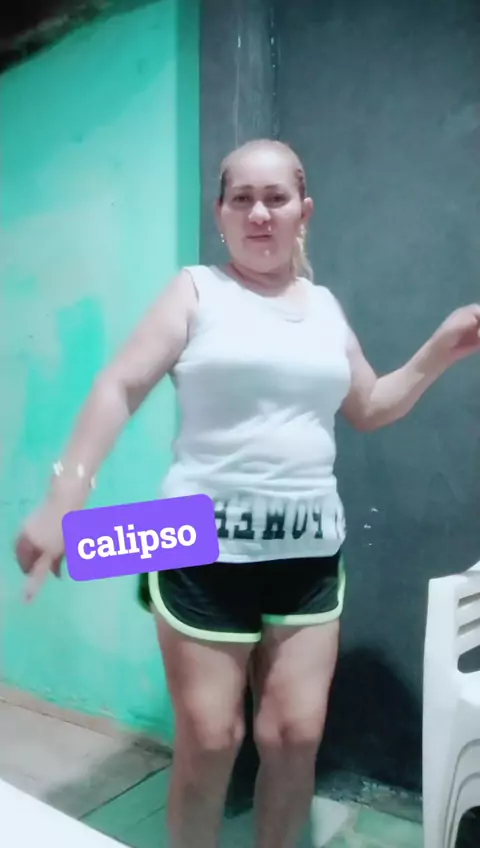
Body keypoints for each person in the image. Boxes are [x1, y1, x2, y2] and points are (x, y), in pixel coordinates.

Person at [15, 138, 480, 848]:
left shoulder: (324, 308)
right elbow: (120, 386)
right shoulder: (196, 290)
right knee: (211, 740)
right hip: (197, 547)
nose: (259, 213)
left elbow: (369, 406)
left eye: (276, 198)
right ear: (221, 213)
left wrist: (440, 349)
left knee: (295, 737)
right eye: (242, 199)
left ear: (303, 211)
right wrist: (64, 499)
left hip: (309, 556)